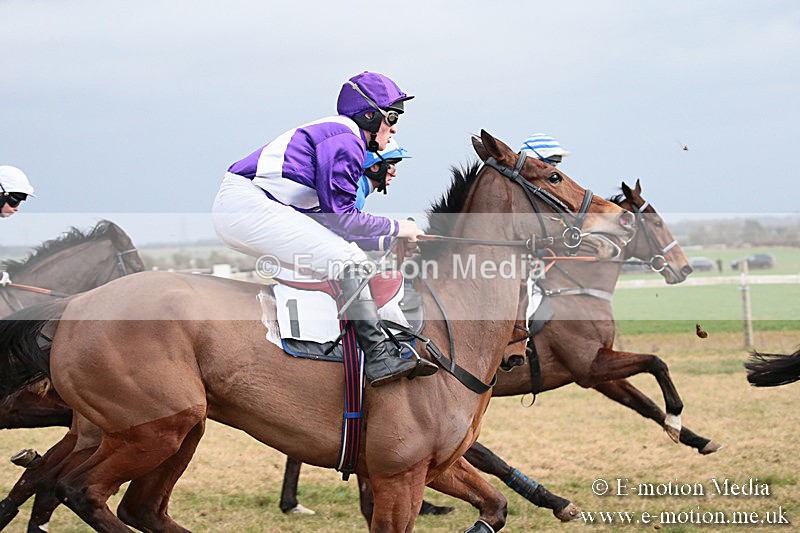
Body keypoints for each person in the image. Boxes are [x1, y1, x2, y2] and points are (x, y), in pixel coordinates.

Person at [212, 71, 437, 387]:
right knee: (348, 261)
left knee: (346, 256)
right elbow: (343, 219)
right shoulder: (347, 141)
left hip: (250, 205)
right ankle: (379, 356)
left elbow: (329, 221)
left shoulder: (342, 137)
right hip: (247, 205)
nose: (394, 126)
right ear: (370, 115)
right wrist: (400, 227)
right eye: (392, 116)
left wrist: (387, 240)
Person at [355, 138, 410, 210]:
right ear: (374, 166)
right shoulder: (356, 193)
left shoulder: (358, 185)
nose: (394, 174)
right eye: (391, 167)